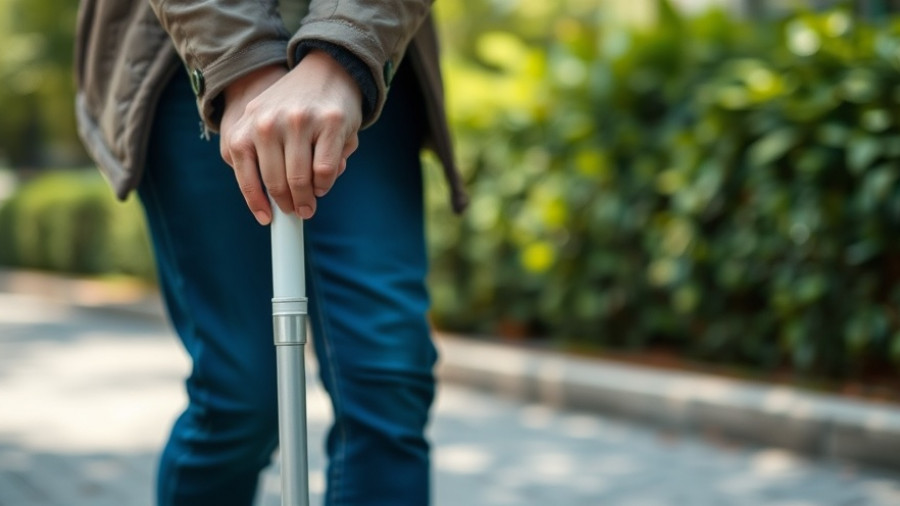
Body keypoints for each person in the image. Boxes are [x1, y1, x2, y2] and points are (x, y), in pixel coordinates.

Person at [74, 0, 467, 504]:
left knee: (387, 378)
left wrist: (343, 48)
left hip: (368, 55)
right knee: (241, 397)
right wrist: (241, 62)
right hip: (187, 51)